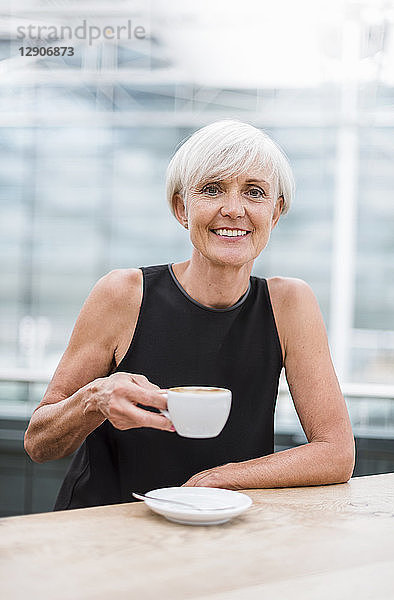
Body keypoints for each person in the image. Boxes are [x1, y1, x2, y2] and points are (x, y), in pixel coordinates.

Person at [24, 120, 355, 510]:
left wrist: (219, 479)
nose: (234, 209)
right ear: (182, 208)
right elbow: (39, 443)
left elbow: (336, 453)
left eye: (255, 192)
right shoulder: (123, 293)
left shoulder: (290, 304)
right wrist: (94, 399)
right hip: (105, 528)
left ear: (275, 212)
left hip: (220, 530)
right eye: (212, 189)